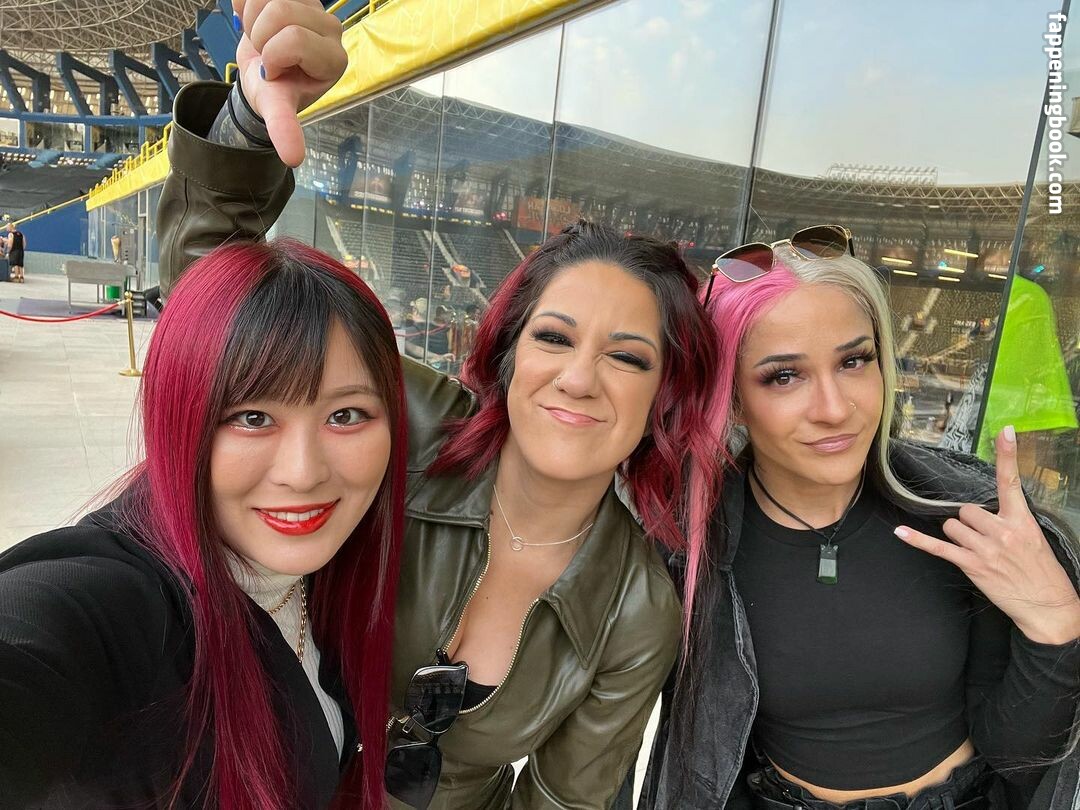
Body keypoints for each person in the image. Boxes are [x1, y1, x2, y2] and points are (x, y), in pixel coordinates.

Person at [153, 4, 725, 804]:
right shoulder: (404, 420)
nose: (579, 378)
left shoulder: (637, 613)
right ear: (508, 355)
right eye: (554, 338)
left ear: (666, 394)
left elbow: (563, 801)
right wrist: (250, 121)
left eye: (627, 357)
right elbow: (218, 318)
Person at [639, 227, 1080, 810]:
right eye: (784, 375)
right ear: (734, 398)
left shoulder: (963, 520)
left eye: (854, 361)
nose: (834, 408)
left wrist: (1057, 626)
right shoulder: (691, 544)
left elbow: (1017, 754)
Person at [0, 239, 408, 810]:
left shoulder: (332, 569)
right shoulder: (119, 602)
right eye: (252, 417)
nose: (304, 473)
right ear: (180, 416)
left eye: (345, 415)